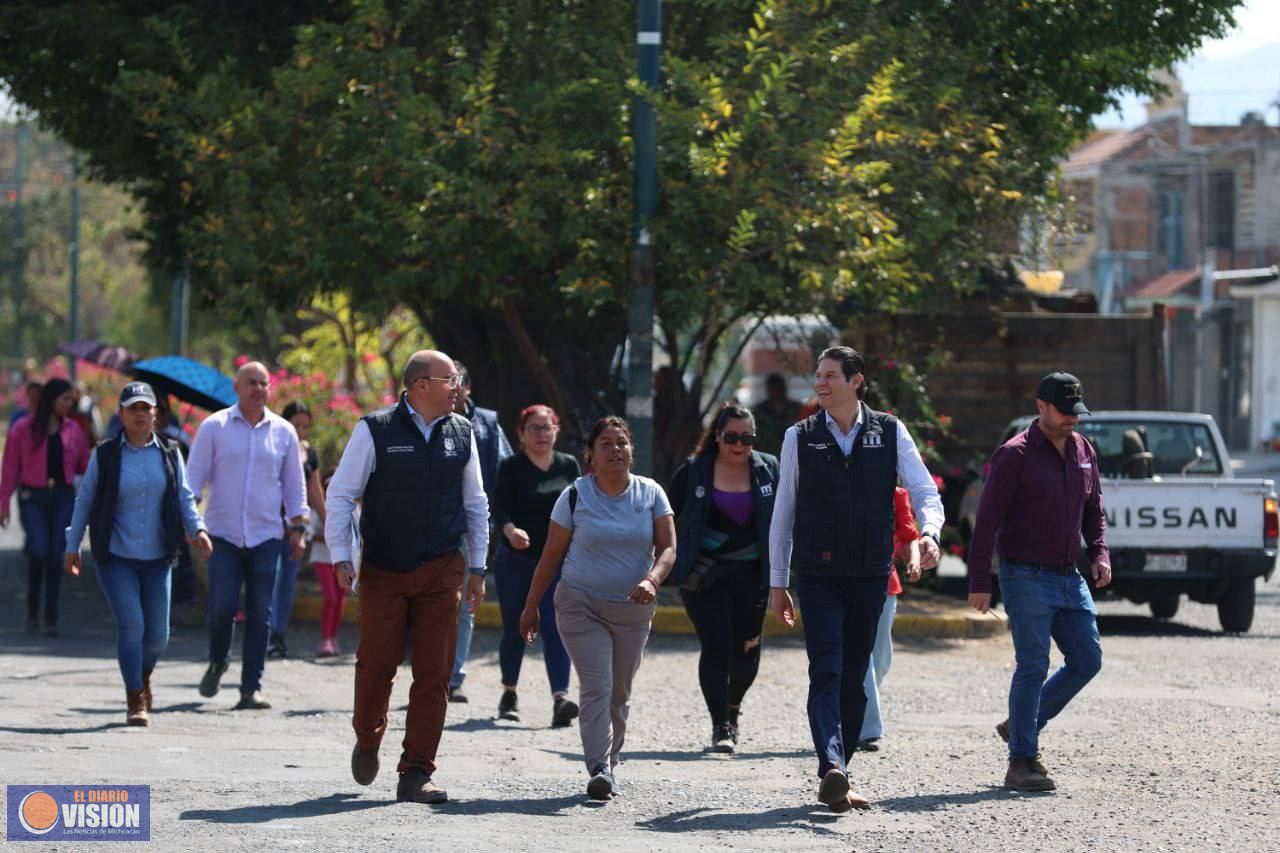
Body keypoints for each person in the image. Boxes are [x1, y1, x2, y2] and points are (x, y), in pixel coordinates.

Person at [768, 346, 943, 813]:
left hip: (869, 572)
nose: (820, 383)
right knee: (825, 666)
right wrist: (778, 581)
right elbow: (783, 511)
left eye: (830, 376)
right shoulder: (798, 436)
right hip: (819, 573)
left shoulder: (889, 431)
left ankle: (839, 773)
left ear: (856, 381)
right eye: (818, 376)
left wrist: (929, 533)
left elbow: (924, 487)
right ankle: (831, 767)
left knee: (854, 678)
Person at [325, 350, 489, 805]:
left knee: (435, 672)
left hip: (442, 567)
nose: (457, 387)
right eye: (450, 379)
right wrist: (342, 555)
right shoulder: (374, 430)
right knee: (376, 666)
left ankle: (416, 771)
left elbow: (475, 503)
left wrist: (477, 566)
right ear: (421, 385)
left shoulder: (462, 432)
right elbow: (341, 495)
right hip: (383, 568)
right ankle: (368, 736)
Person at [966, 371, 1110, 793]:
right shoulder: (1015, 454)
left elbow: (1094, 510)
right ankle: (1021, 762)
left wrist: (1099, 553)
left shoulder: (1084, 450)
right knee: (1033, 665)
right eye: (1064, 412)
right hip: (1024, 574)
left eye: (1077, 413)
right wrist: (980, 579)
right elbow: (987, 520)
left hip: (1070, 576)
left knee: (1088, 659)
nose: (1072, 420)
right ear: (1041, 407)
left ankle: (1023, 724)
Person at [520, 416, 677, 801]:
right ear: (590, 454)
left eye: (621, 443)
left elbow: (669, 548)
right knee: (597, 685)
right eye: (605, 444)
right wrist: (531, 606)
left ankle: (611, 762)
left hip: (633, 610)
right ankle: (598, 767)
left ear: (631, 451)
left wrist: (652, 580)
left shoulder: (651, 493)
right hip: (580, 604)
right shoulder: (575, 495)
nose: (615, 450)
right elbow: (551, 555)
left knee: (619, 693)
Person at [63, 382, 213, 726]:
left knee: (158, 634)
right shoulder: (105, 454)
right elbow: (85, 499)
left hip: (158, 557)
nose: (141, 414)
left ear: (156, 414)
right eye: (133, 408)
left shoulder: (170, 452)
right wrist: (73, 545)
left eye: (146, 408)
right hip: (115, 556)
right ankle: (135, 697)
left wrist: (198, 530)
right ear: (122, 414)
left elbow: (184, 498)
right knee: (132, 625)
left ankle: (142, 674)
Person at [186, 361, 308, 710]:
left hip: (267, 536)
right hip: (222, 535)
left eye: (263, 383)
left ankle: (250, 687)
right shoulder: (214, 427)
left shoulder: (283, 432)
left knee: (260, 613)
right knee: (222, 607)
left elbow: (294, 487)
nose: (258, 389)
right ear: (236, 388)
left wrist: (298, 529)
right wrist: (192, 522)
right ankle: (218, 659)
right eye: (251, 383)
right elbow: (193, 480)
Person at [668, 402, 779, 754]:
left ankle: (733, 708)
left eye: (747, 438)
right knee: (716, 646)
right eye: (731, 436)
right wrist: (663, 559)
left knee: (747, 650)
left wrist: (785, 575)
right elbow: (664, 514)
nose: (739, 444)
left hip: (753, 576)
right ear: (717, 437)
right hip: (706, 578)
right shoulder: (695, 470)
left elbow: (787, 518)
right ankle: (721, 725)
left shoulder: (768, 468)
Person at [491, 404, 581, 726]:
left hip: (557, 562)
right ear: (521, 434)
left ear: (557, 430)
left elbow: (579, 508)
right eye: (535, 428)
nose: (542, 434)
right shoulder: (511, 467)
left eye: (547, 427)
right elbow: (499, 508)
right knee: (517, 627)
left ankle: (561, 698)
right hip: (517, 560)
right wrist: (511, 530)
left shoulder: (569, 466)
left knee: (556, 627)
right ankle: (509, 693)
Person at [1, 377, 91, 634]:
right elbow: (9, 468)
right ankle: (32, 608)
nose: (69, 404)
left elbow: (85, 465)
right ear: (51, 399)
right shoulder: (23, 428)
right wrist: (3, 502)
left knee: (56, 554)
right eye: (65, 399)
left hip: (62, 496)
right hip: (33, 497)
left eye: (71, 400)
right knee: (39, 550)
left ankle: (51, 614)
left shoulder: (73, 430)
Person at [446, 360, 512, 703]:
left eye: (457, 382)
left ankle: (453, 677)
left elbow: (505, 470)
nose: (452, 389)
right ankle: (431, 669)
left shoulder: (485, 424)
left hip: (474, 525)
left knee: (467, 602)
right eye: (446, 381)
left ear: (467, 387)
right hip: (432, 525)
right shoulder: (422, 420)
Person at [856, 486, 924, 752]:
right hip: (848, 581)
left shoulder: (897, 494)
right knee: (863, 658)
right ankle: (866, 728)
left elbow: (909, 534)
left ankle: (852, 704)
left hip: (886, 584)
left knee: (881, 660)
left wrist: (915, 560)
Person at [267, 400, 326, 659]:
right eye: (296, 425)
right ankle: (266, 633)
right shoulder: (272, 446)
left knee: (288, 581)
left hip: (297, 524)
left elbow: (314, 489)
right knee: (272, 577)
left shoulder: (309, 453)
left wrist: (328, 520)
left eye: (305, 426)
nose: (300, 431)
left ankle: (279, 633)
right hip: (270, 521)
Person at [309, 471, 349, 657]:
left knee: (341, 600)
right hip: (322, 559)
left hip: (343, 561)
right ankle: (325, 638)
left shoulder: (351, 509)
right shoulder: (320, 509)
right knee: (331, 598)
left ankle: (333, 638)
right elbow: (309, 534)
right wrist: (328, 537)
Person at [751, 373, 803, 456]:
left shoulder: (796, 408)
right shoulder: (760, 411)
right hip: (768, 454)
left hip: (792, 454)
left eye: (778, 387)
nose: (776, 391)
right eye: (773, 387)